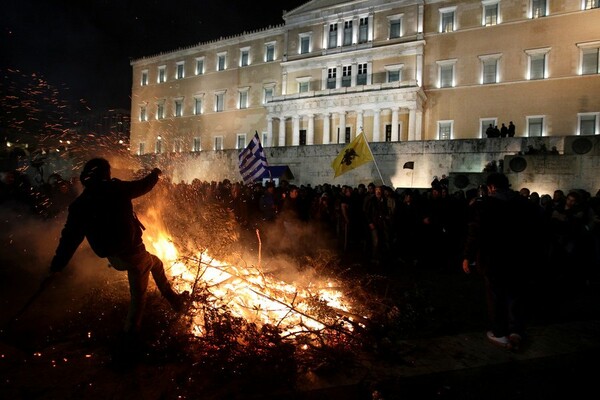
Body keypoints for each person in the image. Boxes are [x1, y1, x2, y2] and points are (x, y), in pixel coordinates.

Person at [48, 158, 189, 336]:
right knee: (139, 297)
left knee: (156, 263)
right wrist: (155, 174)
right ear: (106, 173)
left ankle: (174, 300)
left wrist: (57, 266)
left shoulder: (80, 204)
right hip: (133, 254)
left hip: (114, 257)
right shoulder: (116, 189)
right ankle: (131, 335)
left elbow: (69, 239)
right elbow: (143, 185)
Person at [462, 173, 538, 350]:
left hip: (493, 258)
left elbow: (475, 232)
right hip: (519, 257)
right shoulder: (524, 204)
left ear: (491, 187)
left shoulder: (485, 205)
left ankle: (499, 332)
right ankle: (515, 330)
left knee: (495, 295)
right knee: (515, 293)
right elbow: (535, 231)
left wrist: (468, 256)